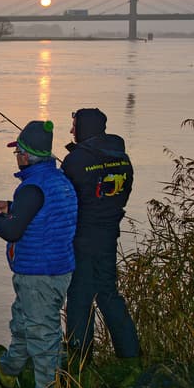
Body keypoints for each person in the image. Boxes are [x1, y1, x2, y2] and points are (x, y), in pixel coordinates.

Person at [0, 120, 78, 388]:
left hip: (39, 273)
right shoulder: (58, 180)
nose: (16, 157)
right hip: (57, 269)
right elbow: (41, 212)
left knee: (42, 337)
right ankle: (10, 368)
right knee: (23, 319)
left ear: (25, 155)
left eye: (17, 152)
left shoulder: (32, 187)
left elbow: (13, 232)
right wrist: (11, 206)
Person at [62, 108, 140, 362]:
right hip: (108, 235)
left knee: (79, 298)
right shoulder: (122, 157)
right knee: (108, 294)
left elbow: (65, 200)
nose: (72, 131)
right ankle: (130, 357)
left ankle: (79, 362)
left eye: (74, 126)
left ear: (84, 128)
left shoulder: (76, 161)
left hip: (82, 237)